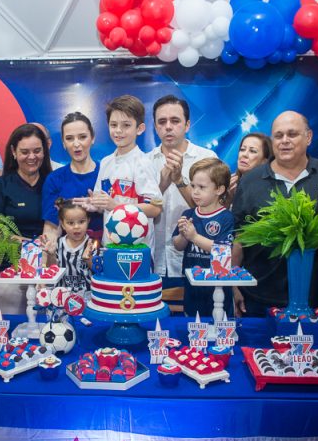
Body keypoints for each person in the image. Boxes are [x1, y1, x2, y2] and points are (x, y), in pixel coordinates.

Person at [231, 111, 318, 317]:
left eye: (292, 134)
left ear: (308, 137)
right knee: (258, 350)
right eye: (278, 136)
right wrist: (234, 285)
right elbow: (238, 238)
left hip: (317, 299)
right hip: (257, 297)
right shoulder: (250, 181)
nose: (284, 141)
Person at [77, 95, 162, 250]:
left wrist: (116, 206)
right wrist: (95, 205)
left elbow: (155, 209)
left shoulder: (143, 163)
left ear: (140, 129)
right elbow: (103, 202)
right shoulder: (105, 162)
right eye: (113, 125)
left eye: (126, 125)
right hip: (109, 245)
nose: (118, 131)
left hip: (137, 249)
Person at [0, 123, 52, 314]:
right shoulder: (0, 185)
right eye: (25, 151)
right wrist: (30, 244)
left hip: (46, 276)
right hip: (8, 275)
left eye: (37, 151)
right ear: (13, 152)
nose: (32, 157)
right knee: (9, 335)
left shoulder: (54, 183)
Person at [149, 95, 216, 280]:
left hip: (196, 261)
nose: (168, 127)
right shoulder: (144, 163)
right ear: (155, 127)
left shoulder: (207, 159)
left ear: (187, 125)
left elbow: (214, 211)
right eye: (162, 122)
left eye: (175, 121)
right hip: (153, 262)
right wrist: (161, 185)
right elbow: (139, 213)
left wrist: (179, 180)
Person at [173, 158, 235, 317]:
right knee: (194, 328)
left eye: (202, 187)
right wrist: (183, 235)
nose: (195, 191)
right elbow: (178, 245)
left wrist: (194, 236)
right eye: (193, 186)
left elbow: (223, 250)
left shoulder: (226, 218)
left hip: (218, 289)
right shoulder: (188, 214)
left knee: (219, 327)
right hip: (192, 288)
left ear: (219, 190)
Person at [41, 113, 102, 247]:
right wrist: (48, 262)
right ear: (63, 143)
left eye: (82, 137)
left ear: (92, 138)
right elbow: (51, 229)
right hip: (67, 261)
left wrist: (102, 208)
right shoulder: (54, 179)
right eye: (69, 138)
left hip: (106, 256)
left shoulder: (107, 174)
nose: (76, 144)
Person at [51, 198, 94, 294]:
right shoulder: (57, 244)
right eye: (70, 223)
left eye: (81, 221)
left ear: (88, 221)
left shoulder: (92, 245)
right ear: (62, 224)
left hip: (87, 298)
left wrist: (89, 259)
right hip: (61, 297)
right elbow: (52, 270)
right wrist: (50, 255)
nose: (76, 227)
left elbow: (99, 271)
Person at [227, 132, 271, 206]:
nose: (244, 155)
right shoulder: (228, 182)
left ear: (265, 161)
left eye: (252, 151)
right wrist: (227, 201)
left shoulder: (270, 192)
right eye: (242, 149)